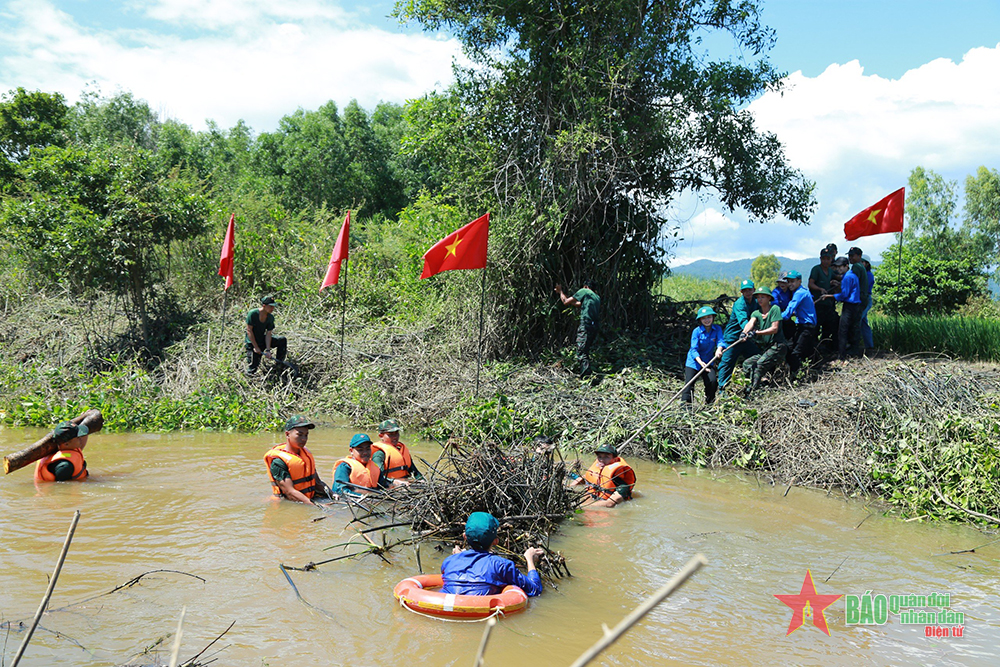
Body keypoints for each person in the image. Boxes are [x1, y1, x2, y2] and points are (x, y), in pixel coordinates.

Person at [440, 512, 544, 597]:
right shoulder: (502, 565)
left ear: (464, 536)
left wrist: (457, 557)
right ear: (496, 541)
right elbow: (535, 589)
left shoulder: (449, 561)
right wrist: (530, 559)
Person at [264, 415, 329, 505]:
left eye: (306, 435)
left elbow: (317, 482)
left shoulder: (306, 455)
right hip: (288, 504)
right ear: (287, 434)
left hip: (309, 500)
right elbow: (289, 492)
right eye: (299, 435)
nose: (304, 439)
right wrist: (317, 505)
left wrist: (333, 494)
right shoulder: (278, 461)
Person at [741, 289, 787, 395]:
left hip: (778, 347)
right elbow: (750, 323)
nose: (760, 299)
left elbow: (774, 328)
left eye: (763, 297)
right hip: (767, 349)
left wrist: (757, 333)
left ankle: (753, 392)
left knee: (759, 365)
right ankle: (755, 385)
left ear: (769, 298)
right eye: (758, 297)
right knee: (747, 364)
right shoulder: (756, 313)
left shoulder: (775, 309)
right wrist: (744, 333)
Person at [717, 279, 760, 391]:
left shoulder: (756, 302)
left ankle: (752, 385)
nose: (747, 292)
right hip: (734, 338)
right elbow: (743, 322)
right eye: (745, 290)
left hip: (746, 339)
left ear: (754, 290)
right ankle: (722, 389)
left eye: (749, 290)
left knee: (756, 356)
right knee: (727, 364)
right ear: (741, 292)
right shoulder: (739, 304)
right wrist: (747, 332)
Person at [331, 433, 402, 497]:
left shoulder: (375, 468)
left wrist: (396, 487)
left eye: (368, 449)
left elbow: (384, 486)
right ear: (351, 451)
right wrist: (363, 497)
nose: (365, 453)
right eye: (360, 450)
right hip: (353, 503)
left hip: (371, 501)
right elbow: (340, 491)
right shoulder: (344, 467)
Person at [819, 257, 862, 360]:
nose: (838, 269)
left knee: (842, 331)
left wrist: (829, 296)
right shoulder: (852, 275)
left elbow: (844, 295)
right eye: (837, 267)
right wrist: (839, 284)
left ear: (846, 266)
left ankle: (842, 356)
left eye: (840, 267)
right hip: (856, 306)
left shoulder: (847, 277)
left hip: (849, 306)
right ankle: (854, 353)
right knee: (853, 329)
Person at [555, 280, 600, 377]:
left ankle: (586, 376)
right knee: (585, 350)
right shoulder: (596, 297)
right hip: (594, 326)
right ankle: (586, 373)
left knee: (581, 351)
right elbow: (578, 304)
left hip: (586, 324)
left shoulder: (584, 291)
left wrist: (560, 292)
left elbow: (565, 302)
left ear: (585, 286)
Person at [570, 444, 637, 507]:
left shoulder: (621, 483)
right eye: (599, 457)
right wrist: (570, 488)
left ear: (615, 460)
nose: (601, 460)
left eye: (606, 457)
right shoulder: (597, 471)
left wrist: (582, 506)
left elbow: (610, 503)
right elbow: (584, 478)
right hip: (594, 499)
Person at [682, 305, 724, 404]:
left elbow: (720, 341)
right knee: (689, 385)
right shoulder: (696, 331)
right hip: (694, 361)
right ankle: (685, 409)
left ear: (713, 317)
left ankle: (709, 404)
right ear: (700, 320)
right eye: (704, 318)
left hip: (709, 360)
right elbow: (693, 349)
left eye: (709, 317)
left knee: (712, 382)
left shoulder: (717, 329)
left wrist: (719, 349)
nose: (707, 320)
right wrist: (701, 364)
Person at [781, 270, 818, 381]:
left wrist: (772, 317)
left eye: (793, 281)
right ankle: (801, 374)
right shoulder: (801, 291)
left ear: (799, 281)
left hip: (807, 327)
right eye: (788, 282)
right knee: (793, 348)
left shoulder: (799, 293)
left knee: (796, 352)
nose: (790, 284)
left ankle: (795, 378)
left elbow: (787, 313)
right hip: (805, 325)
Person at [246, 296, 288, 375]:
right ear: (264, 306)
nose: (272, 308)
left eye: (273, 306)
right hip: (252, 343)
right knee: (253, 368)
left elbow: (268, 334)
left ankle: (279, 365)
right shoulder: (253, 314)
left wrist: (268, 350)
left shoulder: (270, 317)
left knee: (282, 340)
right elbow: (249, 331)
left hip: (262, 340)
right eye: (271, 306)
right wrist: (256, 347)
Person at [809, 249, 839, 352]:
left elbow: (837, 277)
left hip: (828, 304)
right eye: (824, 259)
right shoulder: (816, 269)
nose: (826, 261)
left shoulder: (830, 271)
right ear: (820, 259)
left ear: (831, 259)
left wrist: (835, 282)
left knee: (828, 326)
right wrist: (819, 289)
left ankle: (825, 346)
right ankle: (813, 348)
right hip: (818, 303)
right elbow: (810, 284)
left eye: (828, 259)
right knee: (816, 327)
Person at [772, 274, 796, 343]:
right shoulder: (775, 292)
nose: (782, 284)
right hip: (779, 318)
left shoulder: (791, 291)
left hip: (788, 316)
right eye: (780, 282)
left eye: (784, 282)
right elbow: (775, 306)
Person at [848, 247, 870, 313]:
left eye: (852, 256)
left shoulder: (856, 266)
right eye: (849, 256)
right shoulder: (861, 266)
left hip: (858, 298)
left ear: (859, 256)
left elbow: (852, 283)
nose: (850, 258)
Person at [860, 256, 876, 351]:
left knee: (858, 320)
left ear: (866, 264)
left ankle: (854, 344)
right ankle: (869, 345)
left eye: (862, 262)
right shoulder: (864, 274)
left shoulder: (868, 275)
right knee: (864, 323)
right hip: (864, 299)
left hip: (865, 299)